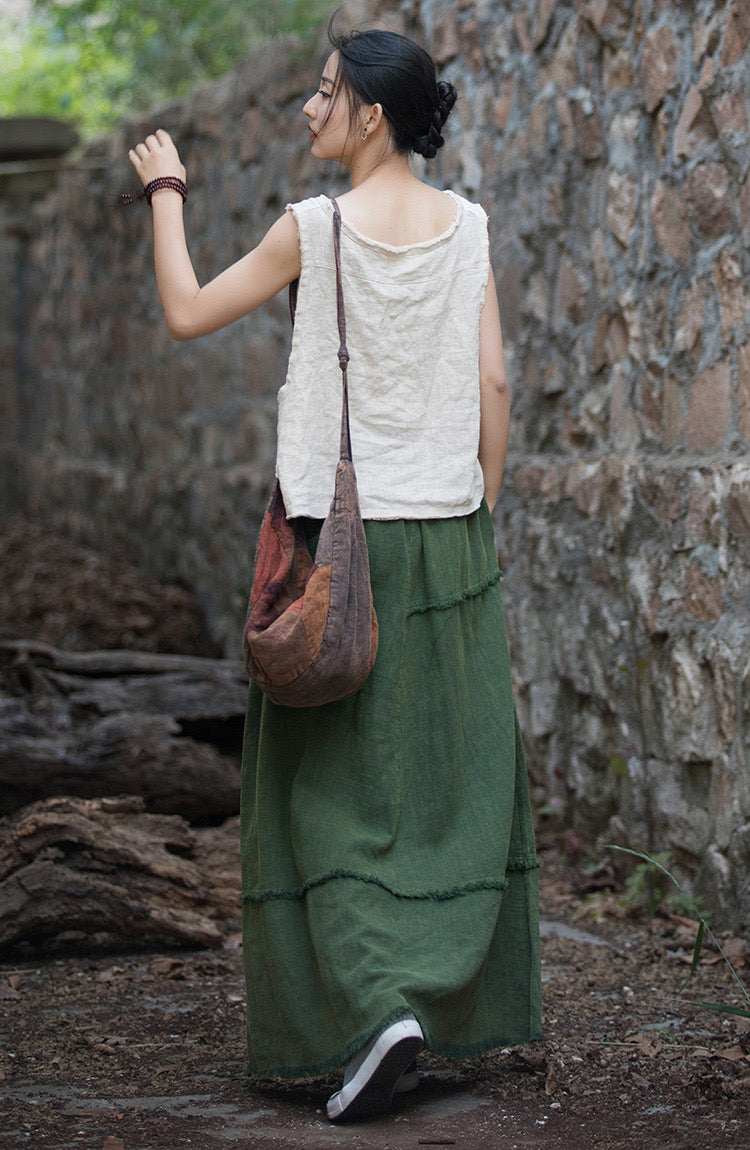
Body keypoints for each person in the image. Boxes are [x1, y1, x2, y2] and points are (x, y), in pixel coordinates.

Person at [128, 25, 542, 1125]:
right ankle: (429, 1000)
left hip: (337, 550)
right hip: (450, 533)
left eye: (324, 94)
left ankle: (375, 1008)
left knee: (322, 793)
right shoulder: (470, 227)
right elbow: (496, 384)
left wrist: (167, 192)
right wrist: (477, 511)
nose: (309, 109)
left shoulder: (312, 229)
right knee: (444, 790)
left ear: (371, 114)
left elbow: (186, 311)